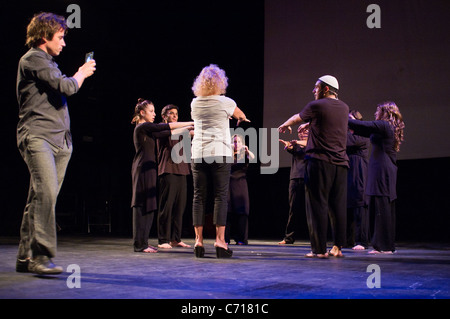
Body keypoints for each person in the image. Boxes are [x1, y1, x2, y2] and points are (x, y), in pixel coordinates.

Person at [15, 12, 96, 275]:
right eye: (60, 37)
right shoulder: (33, 59)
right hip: (38, 137)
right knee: (46, 195)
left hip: (59, 140)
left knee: (40, 197)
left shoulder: (46, 61)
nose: (63, 43)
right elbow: (67, 87)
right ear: (44, 36)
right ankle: (41, 256)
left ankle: (25, 256)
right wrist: (82, 73)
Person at [278, 75, 349, 258]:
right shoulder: (344, 107)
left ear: (325, 89)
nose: (313, 90)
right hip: (341, 164)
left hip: (319, 162)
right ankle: (338, 247)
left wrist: (285, 124)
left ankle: (319, 250)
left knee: (317, 205)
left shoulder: (316, 105)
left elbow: (297, 118)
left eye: (316, 87)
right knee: (338, 206)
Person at [190, 64, 249, 258]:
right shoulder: (226, 102)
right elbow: (241, 116)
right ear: (220, 83)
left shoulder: (195, 103)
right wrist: (239, 119)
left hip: (198, 153)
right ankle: (220, 241)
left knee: (199, 196)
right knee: (220, 197)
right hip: (220, 153)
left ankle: (198, 241)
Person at [131, 99, 193, 253]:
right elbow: (168, 127)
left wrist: (193, 127)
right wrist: (191, 122)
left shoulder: (150, 131)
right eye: (151, 111)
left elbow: (171, 131)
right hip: (142, 168)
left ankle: (144, 242)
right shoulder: (142, 127)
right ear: (142, 113)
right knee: (140, 205)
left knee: (150, 205)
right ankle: (139, 244)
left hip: (150, 168)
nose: (154, 114)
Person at [348, 102, 405, 254]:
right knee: (384, 206)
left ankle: (383, 246)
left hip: (382, 169)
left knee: (382, 206)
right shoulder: (386, 128)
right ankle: (387, 245)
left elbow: (365, 126)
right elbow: (362, 129)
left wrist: (339, 117)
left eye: (378, 112)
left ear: (384, 113)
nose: (375, 114)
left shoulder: (384, 125)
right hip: (384, 169)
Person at [156, 104, 191, 249]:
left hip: (182, 170)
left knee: (179, 207)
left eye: (176, 113)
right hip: (168, 169)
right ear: (164, 116)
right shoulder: (161, 128)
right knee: (167, 206)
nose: (175, 116)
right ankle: (163, 239)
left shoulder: (181, 131)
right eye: (171, 113)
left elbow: (192, 133)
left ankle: (175, 238)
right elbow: (177, 132)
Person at [278, 123, 309, 245]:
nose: (303, 133)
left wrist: (295, 143)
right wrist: (289, 146)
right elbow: (291, 148)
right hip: (295, 179)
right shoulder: (296, 146)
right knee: (293, 209)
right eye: (301, 131)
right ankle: (289, 238)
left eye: (306, 130)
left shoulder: (313, 143)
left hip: (309, 179)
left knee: (312, 210)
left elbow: (309, 144)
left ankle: (316, 238)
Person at [346, 110, 370, 250]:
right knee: (347, 206)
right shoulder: (350, 134)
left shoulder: (362, 135)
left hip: (359, 171)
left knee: (360, 205)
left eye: (350, 119)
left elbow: (346, 141)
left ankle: (361, 240)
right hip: (349, 171)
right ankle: (348, 240)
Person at [225, 134, 255, 245]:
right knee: (227, 212)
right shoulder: (227, 154)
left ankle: (241, 238)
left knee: (242, 211)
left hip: (240, 184)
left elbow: (252, 157)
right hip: (227, 184)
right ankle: (225, 238)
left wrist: (247, 151)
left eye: (239, 142)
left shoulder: (244, 155)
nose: (236, 144)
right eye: (234, 142)